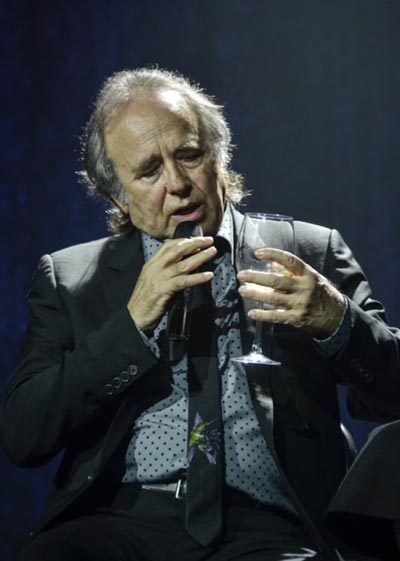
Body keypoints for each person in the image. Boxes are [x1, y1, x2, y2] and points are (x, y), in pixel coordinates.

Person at [1, 67, 399, 561]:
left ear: (219, 155)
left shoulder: (309, 251)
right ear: (116, 196)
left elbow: (394, 396)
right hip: (116, 523)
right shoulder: (72, 277)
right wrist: (132, 323)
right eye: (148, 172)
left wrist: (337, 321)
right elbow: (22, 436)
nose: (178, 185)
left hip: (268, 525)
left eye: (189, 156)